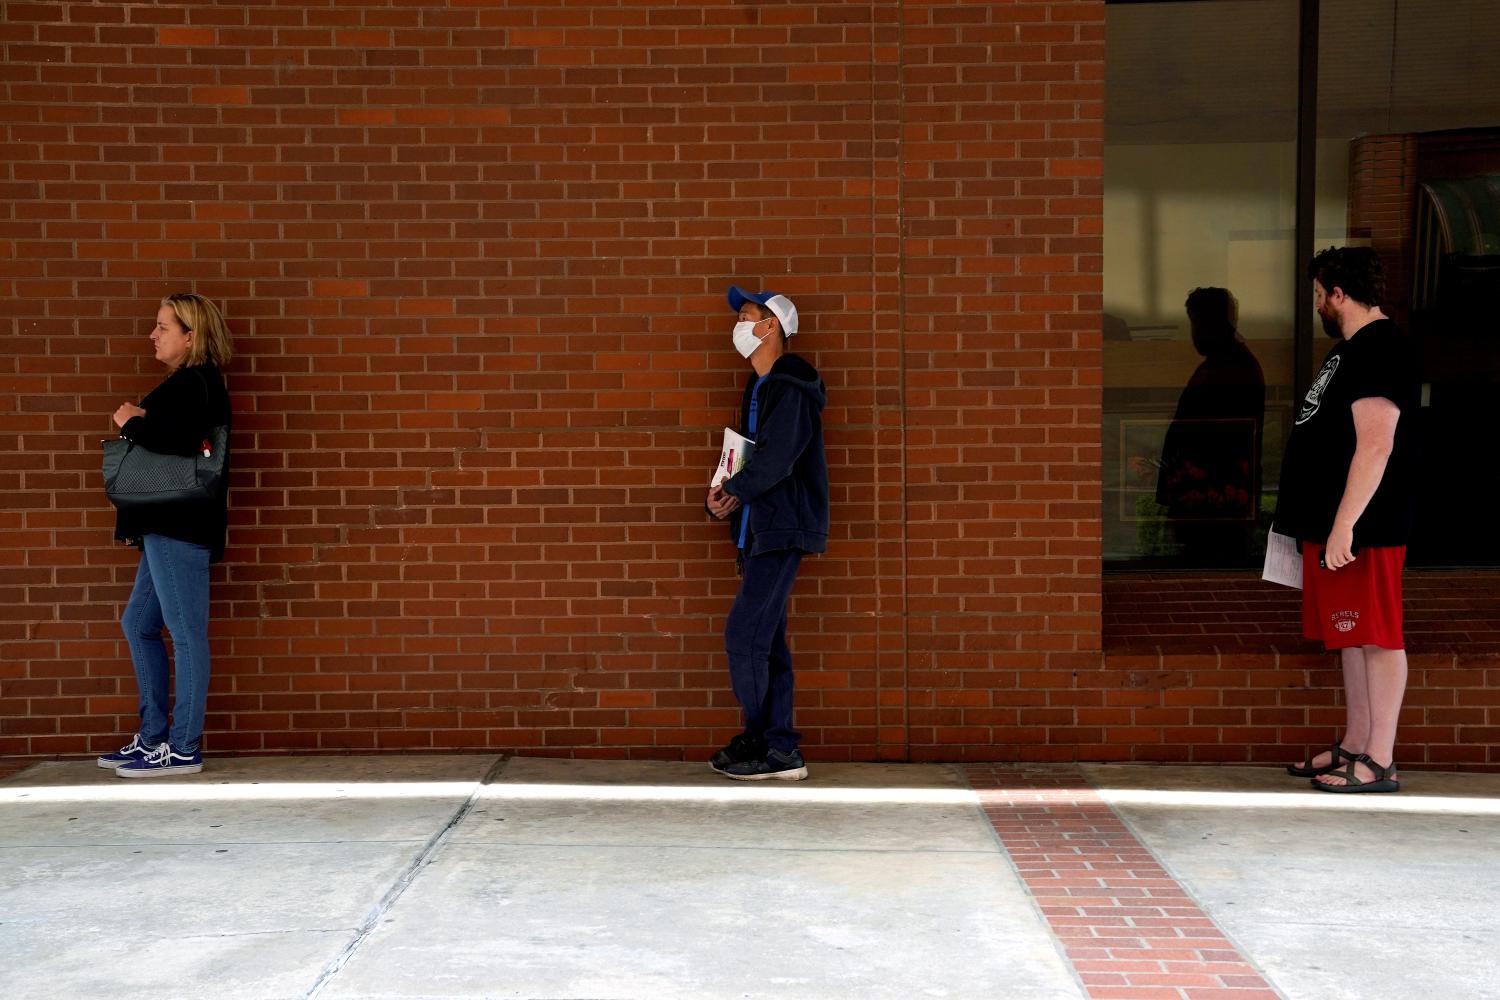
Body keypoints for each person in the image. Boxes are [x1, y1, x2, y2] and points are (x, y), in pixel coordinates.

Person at [1276, 248, 1420, 794]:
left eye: (1318, 294)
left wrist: (1345, 525)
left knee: (1378, 637)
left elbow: (1377, 444)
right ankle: (1357, 743)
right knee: (1350, 637)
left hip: (1366, 528)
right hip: (1340, 527)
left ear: (1337, 292)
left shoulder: (1381, 349)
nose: (1317, 304)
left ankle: (1379, 759)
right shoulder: (1350, 351)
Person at [97, 293, 233, 778]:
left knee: (186, 633)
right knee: (139, 624)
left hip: (181, 526)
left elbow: (178, 441)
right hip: (164, 528)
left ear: (190, 336)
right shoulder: (187, 383)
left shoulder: (199, 382)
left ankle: (182, 747)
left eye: (163, 327)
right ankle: (154, 737)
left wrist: (131, 419)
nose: (153, 336)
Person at [705, 286, 828, 781]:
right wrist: (724, 498)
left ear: (770, 325)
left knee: (744, 635)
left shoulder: (789, 386)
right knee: (767, 642)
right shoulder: (759, 387)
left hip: (783, 529)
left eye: (746, 315)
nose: (738, 323)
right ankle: (777, 747)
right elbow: (752, 459)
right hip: (760, 531)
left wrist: (737, 489)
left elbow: (777, 459)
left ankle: (769, 741)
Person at [1155, 287, 1265, 563]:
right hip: (1211, 501)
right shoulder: (1228, 366)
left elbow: (1215, 439)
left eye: (1196, 322)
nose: (1194, 333)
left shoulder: (1230, 370)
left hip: (1214, 505)